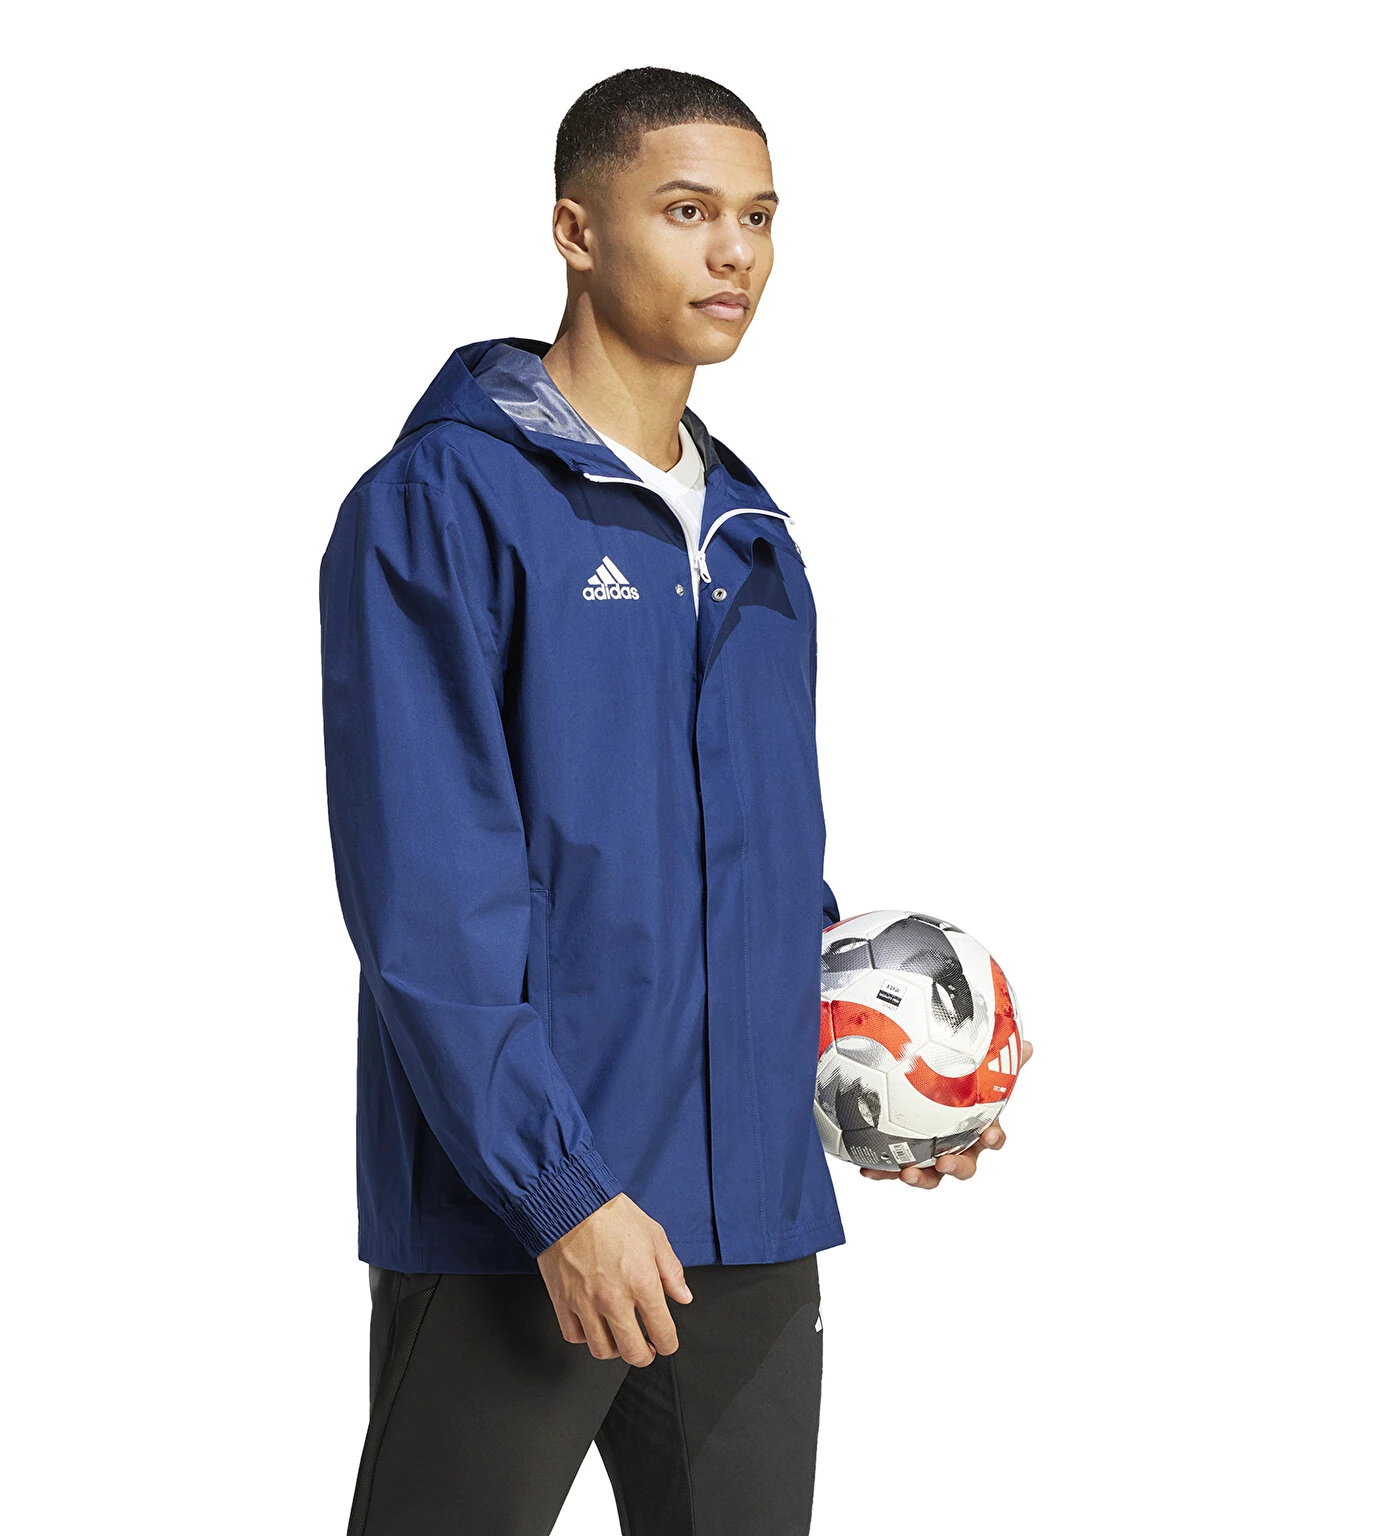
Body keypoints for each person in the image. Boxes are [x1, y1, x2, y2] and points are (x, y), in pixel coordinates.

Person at [320, 65, 1025, 1536]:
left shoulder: (754, 539)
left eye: (760, 217)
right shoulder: (443, 503)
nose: (736, 254)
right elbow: (430, 897)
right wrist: (559, 1194)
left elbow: (756, 868)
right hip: (528, 1224)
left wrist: (872, 1067)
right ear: (576, 231)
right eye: (689, 211)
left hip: (748, 1217)